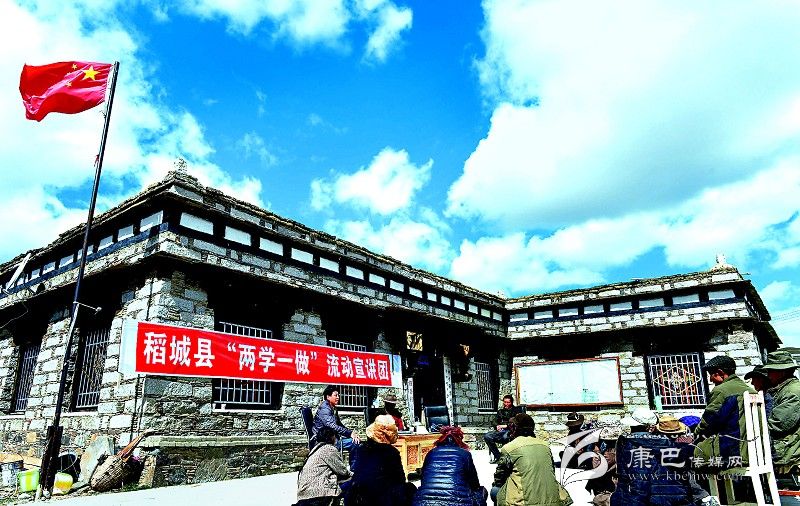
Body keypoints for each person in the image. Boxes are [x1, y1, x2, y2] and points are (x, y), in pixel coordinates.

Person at [611, 415, 701, 506]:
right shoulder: (683, 450)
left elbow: (640, 483)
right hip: (678, 499)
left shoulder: (637, 448)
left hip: (656, 500)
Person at [491, 413, 572, 506]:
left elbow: (500, 477)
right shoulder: (545, 445)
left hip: (523, 503)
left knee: (495, 490)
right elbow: (552, 470)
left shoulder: (509, 448)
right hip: (553, 501)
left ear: (514, 428)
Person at [694, 355, 754, 469]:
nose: (710, 380)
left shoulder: (721, 391)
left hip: (732, 453)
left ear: (720, 373)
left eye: (711, 375)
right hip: (754, 451)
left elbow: (707, 424)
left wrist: (694, 434)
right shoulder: (751, 391)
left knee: (681, 453)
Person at [344, 414, 416, 506]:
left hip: (356, 497)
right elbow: (400, 480)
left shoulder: (362, 448)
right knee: (410, 489)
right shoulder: (391, 452)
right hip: (378, 499)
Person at [413, 425, 487, 506]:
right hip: (457, 502)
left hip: (424, 503)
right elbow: (474, 484)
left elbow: (423, 479)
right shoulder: (465, 454)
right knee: (482, 491)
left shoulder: (431, 453)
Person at [294, 426, 352, 506]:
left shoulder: (315, 450)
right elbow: (343, 471)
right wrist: (355, 474)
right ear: (332, 437)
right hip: (319, 493)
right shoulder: (328, 449)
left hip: (303, 494)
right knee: (356, 482)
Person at [764, 350, 800, 475]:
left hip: (788, 452)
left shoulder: (792, 392)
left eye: (770, 371)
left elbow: (778, 423)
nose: (768, 375)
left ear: (782, 372)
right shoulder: (784, 388)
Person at [313, 385, 361, 455]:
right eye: (335, 395)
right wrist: (349, 433)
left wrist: (351, 433)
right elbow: (332, 426)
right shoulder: (325, 409)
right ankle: (355, 463)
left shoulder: (332, 407)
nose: (338, 397)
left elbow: (339, 424)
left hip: (332, 438)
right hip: (324, 441)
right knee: (355, 442)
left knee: (355, 439)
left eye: (338, 395)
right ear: (328, 397)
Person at [484, 395, 524, 464]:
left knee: (505, 437)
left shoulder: (516, 411)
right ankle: (498, 457)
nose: (506, 404)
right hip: (501, 431)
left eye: (508, 402)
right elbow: (494, 420)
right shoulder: (500, 411)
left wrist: (506, 426)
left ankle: (507, 457)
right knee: (487, 436)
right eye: (505, 402)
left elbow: (517, 422)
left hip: (511, 431)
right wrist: (497, 426)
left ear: (511, 402)